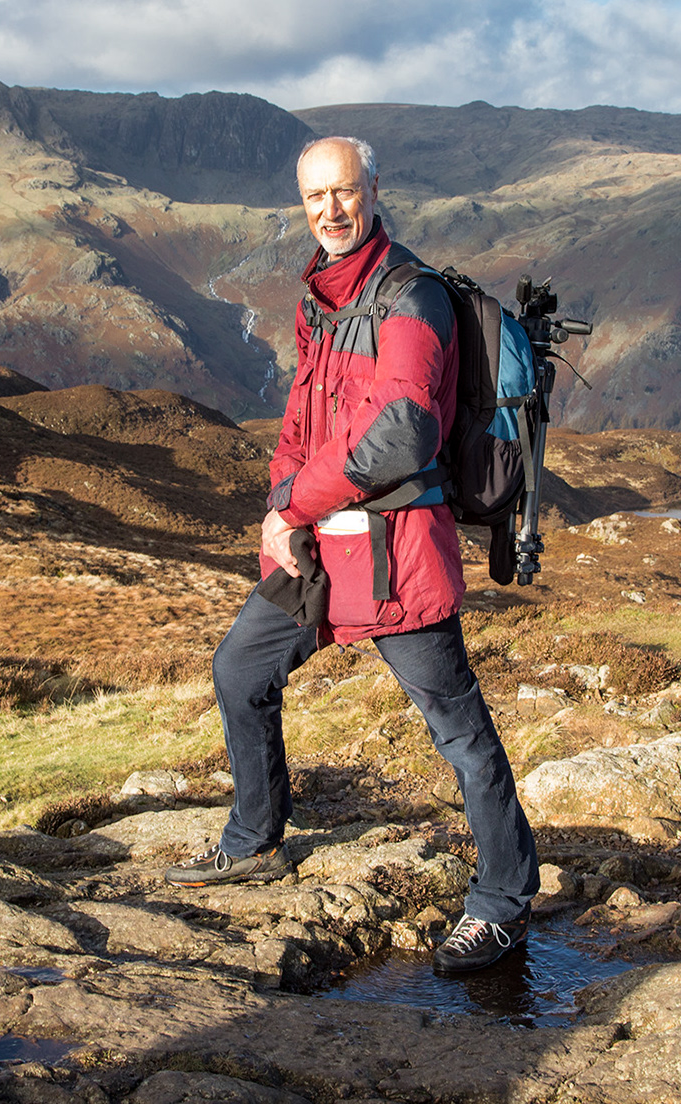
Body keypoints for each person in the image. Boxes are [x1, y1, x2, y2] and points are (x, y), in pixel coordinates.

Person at [164, 135, 539, 975]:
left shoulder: (414, 299)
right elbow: (301, 422)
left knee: (461, 735)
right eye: (313, 197)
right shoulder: (318, 301)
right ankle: (255, 840)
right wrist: (279, 510)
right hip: (317, 549)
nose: (330, 211)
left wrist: (299, 501)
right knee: (240, 671)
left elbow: (404, 430)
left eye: (343, 192)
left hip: (398, 552)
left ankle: (505, 901)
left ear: (373, 189)